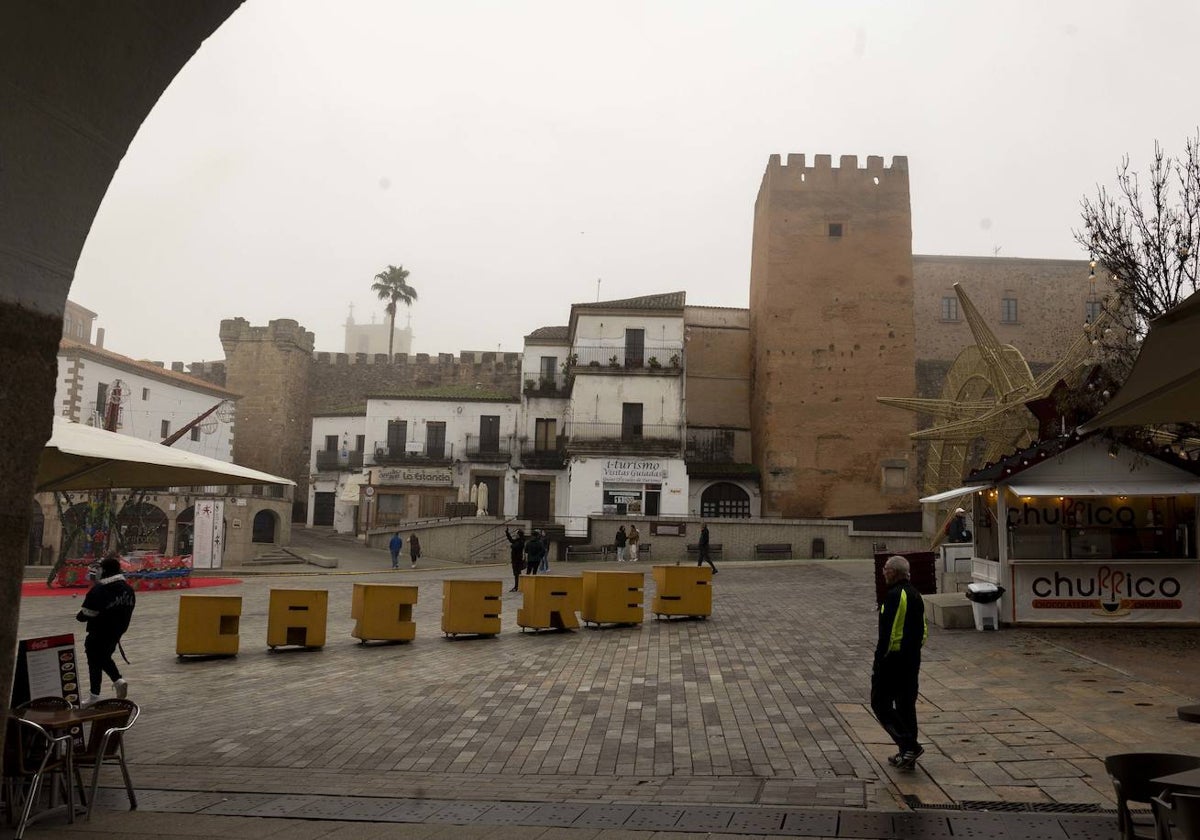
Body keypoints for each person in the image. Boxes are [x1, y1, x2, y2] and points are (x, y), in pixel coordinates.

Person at [871, 555, 928, 770]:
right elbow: (923, 630)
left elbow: (888, 634)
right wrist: (913, 650)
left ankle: (909, 745)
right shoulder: (916, 594)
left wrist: (879, 660)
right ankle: (907, 754)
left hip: (893, 660)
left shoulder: (895, 596)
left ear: (894, 572)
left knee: (880, 704)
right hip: (912, 659)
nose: (883, 572)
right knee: (906, 706)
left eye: (886, 569)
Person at [76, 552, 136, 706]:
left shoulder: (100, 590)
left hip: (98, 632)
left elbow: (86, 613)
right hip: (116, 632)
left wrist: (81, 616)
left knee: (94, 660)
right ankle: (115, 682)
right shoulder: (128, 590)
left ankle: (98, 693)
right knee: (103, 657)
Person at [504, 527, 526, 591]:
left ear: (519, 535)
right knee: (516, 574)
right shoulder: (518, 540)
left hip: (517, 560)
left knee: (517, 574)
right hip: (515, 560)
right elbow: (511, 540)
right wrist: (507, 533)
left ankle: (517, 587)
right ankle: (517, 586)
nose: (515, 535)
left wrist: (512, 546)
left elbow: (514, 546)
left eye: (516, 534)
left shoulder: (521, 541)